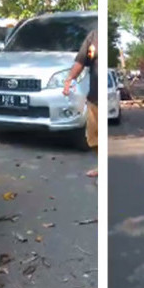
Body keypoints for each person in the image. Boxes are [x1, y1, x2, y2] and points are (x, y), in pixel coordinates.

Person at [63, 29, 98, 178]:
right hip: (94, 99)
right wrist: (69, 79)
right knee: (93, 136)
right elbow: (81, 61)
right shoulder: (94, 36)